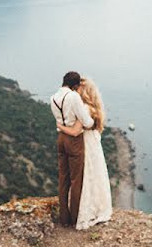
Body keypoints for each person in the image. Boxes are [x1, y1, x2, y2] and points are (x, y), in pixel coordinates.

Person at [55, 77, 113, 230]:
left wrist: (60, 126)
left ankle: (79, 212)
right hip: (94, 144)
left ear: (83, 91)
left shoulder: (85, 108)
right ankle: (94, 206)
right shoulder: (94, 108)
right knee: (94, 176)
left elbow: (74, 131)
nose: (75, 91)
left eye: (78, 88)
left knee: (84, 178)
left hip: (85, 144)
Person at [50, 71, 95, 227]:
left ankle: (64, 218)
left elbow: (59, 121)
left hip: (61, 138)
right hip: (74, 140)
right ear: (75, 85)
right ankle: (75, 218)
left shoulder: (53, 97)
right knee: (76, 180)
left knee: (63, 179)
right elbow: (87, 121)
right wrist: (91, 122)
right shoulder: (73, 97)